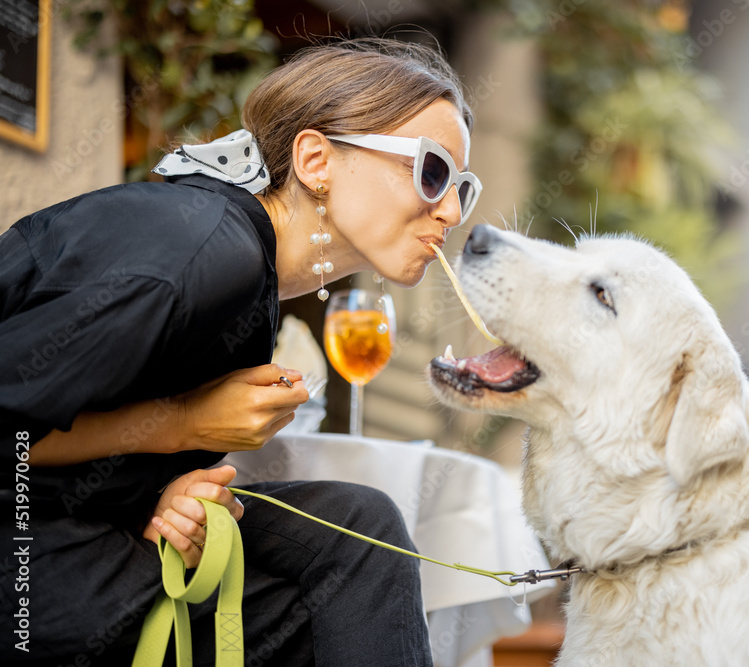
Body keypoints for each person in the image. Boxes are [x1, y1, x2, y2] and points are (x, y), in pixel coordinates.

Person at [0, 37, 481, 665]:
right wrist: (178, 426)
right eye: (432, 170)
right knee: (307, 621)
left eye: (462, 188)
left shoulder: (249, 276)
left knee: (361, 526)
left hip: (72, 511)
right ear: (316, 160)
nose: (450, 210)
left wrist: (169, 496)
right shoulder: (201, 256)